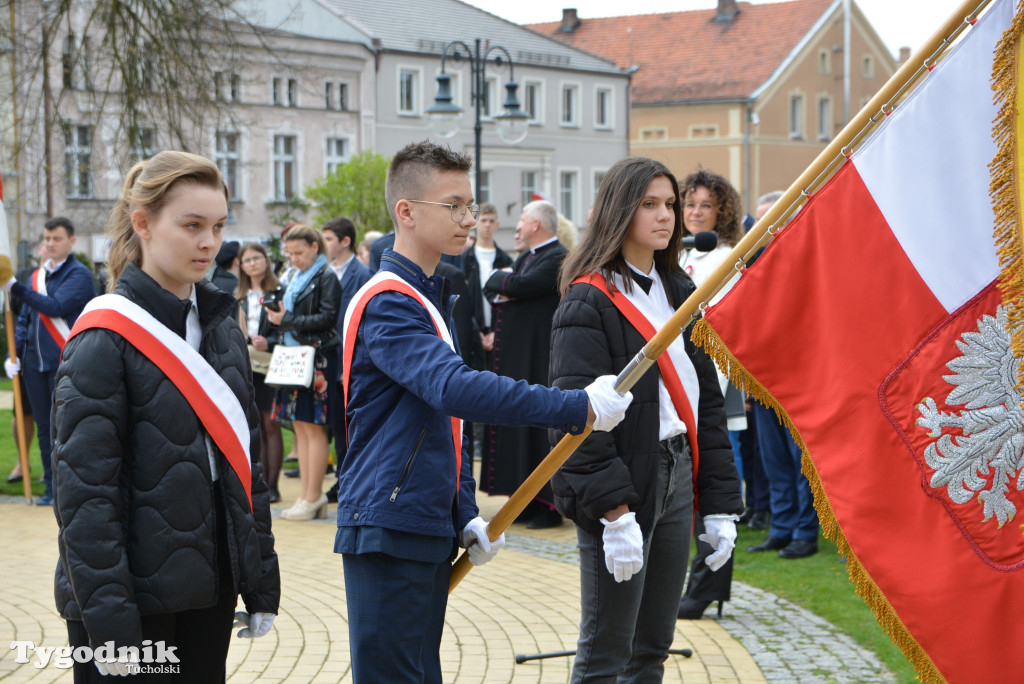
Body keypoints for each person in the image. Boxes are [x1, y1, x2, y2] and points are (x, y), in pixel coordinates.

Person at [335, 140, 632, 684]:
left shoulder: (423, 295)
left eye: (471, 206)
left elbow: (441, 426)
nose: (469, 220)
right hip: (388, 521)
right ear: (406, 211)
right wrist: (576, 404)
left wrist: (462, 510)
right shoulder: (389, 301)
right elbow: (455, 389)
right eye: (454, 206)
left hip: (418, 517)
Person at [50, 150, 279, 681]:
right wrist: (110, 628)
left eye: (219, 226)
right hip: (129, 600)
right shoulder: (103, 336)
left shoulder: (222, 325)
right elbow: (84, 496)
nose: (209, 243)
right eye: (192, 225)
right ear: (143, 224)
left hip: (209, 586)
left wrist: (260, 578)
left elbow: (245, 463)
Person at [550, 156, 743, 682]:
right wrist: (613, 511)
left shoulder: (679, 290)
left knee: (653, 646)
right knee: (606, 651)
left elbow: (705, 406)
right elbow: (576, 418)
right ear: (619, 210)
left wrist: (721, 504)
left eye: (671, 205)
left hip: (678, 472)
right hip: (625, 480)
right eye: (649, 204)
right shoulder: (589, 300)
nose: (667, 216)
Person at [673, 168, 753, 619]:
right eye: (690, 204)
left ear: (722, 210)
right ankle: (695, 579)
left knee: (715, 484)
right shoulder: (679, 253)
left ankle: (708, 581)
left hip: (711, 380)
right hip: (677, 376)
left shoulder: (725, 255)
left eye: (706, 205)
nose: (696, 212)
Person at [480, 200, 568, 529]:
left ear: (536, 224)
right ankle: (527, 500)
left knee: (538, 435)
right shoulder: (529, 257)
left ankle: (548, 506)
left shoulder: (556, 256)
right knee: (522, 431)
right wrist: (502, 283)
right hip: (523, 359)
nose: (516, 226)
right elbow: (502, 291)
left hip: (540, 360)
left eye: (521, 220)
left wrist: (498, 278)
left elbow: (517, 286)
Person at [746, 191, 820, 559]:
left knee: (799, 460)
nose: (764, 227)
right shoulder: (749, 266)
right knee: (773, 459)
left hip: (800, 379)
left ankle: (805, 532)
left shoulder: (806, 263)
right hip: (762, 380)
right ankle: (781, 527)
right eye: (759, 221)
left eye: (771, 219)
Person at [3, 216, 95, 506]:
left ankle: (69, 491)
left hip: (65, 361)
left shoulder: (79, 275)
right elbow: (25, 319)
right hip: (33, 364)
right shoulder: (36, 277)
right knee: (44, 428)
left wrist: (15, 287)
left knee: (64, 428)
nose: (50, 244)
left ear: (71, 241)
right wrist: (13, 354)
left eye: (56, 238)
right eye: (47, 239)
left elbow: (54, 307)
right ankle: (51, 489)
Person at [264, 224, 341, 521]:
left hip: (317, 358)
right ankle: (308, 496)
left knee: (313, 426)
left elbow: (327, 317)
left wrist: (288, 319)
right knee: (300, 425)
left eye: (298, 252)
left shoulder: (326, 276)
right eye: (289, 253)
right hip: (296, 356)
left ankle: (313, 495)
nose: (293, 258)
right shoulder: (294, 276)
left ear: (314, 247)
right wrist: (279, 317)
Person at [321, 217, 371, 502]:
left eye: (329, 238)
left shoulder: (361, 274)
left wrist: (348, 365)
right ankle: (342, 478)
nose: (326, 243)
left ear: (345, 241)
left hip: (348, 361)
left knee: (351, 423)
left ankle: (352, 481)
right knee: (336, 425)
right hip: (328, 359)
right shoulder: (327, 272)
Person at [238, 241, 284, 503]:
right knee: (255, 424)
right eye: (247, 260)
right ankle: (261, 483)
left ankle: (273, 486)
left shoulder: (278, 291)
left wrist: (270, 342)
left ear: (266, 261)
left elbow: (286, 330)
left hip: (273, 362)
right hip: (249, 365)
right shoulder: (239, 295)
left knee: (271, 423)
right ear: (241, 266)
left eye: (257, 258)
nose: (253, 263)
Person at [461, 202, 512, 368]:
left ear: (497, 224)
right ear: (476, 223)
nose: (487, 225)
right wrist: (477, 332)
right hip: (472, 334)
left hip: (499, 333)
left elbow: (509, 300)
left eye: (491, 221)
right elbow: (463, 300)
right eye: (483, 220)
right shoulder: (464, 260)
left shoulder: (505, 260)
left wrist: (495, 331)